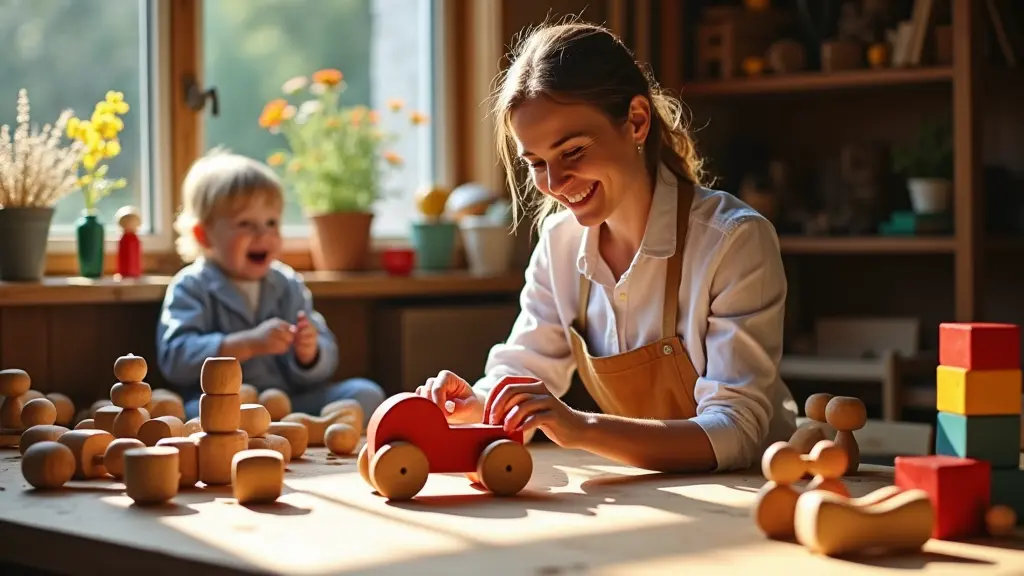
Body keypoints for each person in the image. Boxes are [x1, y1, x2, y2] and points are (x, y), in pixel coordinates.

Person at [417, 21, 797, 473]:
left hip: (754, 491)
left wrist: (581, 428)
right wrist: (478, 403)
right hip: (647, 491)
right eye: (537, 163)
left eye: (572, 151)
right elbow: (526, 368)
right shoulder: (559, 246)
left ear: (637, 121)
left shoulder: (734, 241)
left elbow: (736, 430)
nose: (555, 184)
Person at [156, 149, 386, 424]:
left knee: (366, 394)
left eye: (271, 222)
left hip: (289, 404)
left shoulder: (287, 283)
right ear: (203, 235)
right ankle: (268, 429)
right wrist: (247, 343)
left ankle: (292, 428)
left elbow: (326, 355)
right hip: (225, 407)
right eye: (245, 224)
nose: (263, 234)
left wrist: (309, 354)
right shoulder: (191, 286)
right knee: (189, 413)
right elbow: (175, 358)